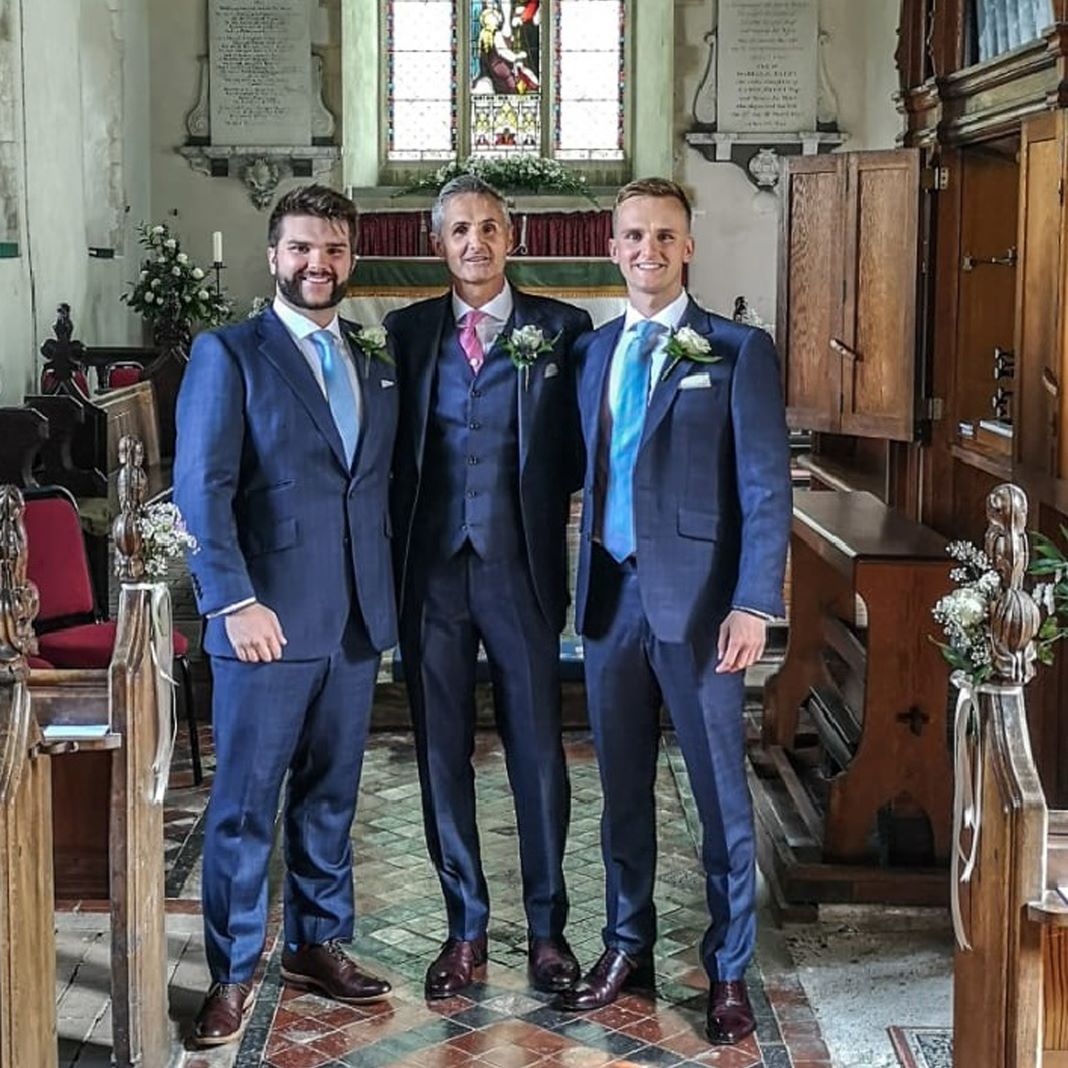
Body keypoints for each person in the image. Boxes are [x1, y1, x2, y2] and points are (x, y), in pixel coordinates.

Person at [558, 178, 791, 1046]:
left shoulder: (734, 349)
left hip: (700, 613)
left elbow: (765, 489)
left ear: (687, 245)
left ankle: (728, 967)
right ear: (612, 248)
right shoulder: (596, 350)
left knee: (719, 799)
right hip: (611, 601)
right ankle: (627, 944)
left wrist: (753, 603)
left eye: (663, 235)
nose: (646, 249)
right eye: (631, 236)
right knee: (620, 791)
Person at [174, 184, 397, 1047]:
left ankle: (316, 940)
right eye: (303, 248)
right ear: (274, 256)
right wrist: (232, 600)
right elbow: (203, 489)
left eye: (335, 249)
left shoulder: (372, 359)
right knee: (243, 806)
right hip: (262, 622)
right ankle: (230, 972)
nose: (319, 264)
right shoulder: (228, 355)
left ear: (351, 256)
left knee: (331, 796)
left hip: (350, 622)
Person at [386, 174, 592, 1000]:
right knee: (443, 754)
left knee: (539, 754)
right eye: (460, 230)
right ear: (438, 244)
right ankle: (464, 928)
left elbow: (583, 446)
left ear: (514, 237)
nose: (476, 242)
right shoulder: (404, 334)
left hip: (522, 572)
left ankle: (547, 932)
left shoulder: (563, 329)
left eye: (490, 228)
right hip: (430, 578)